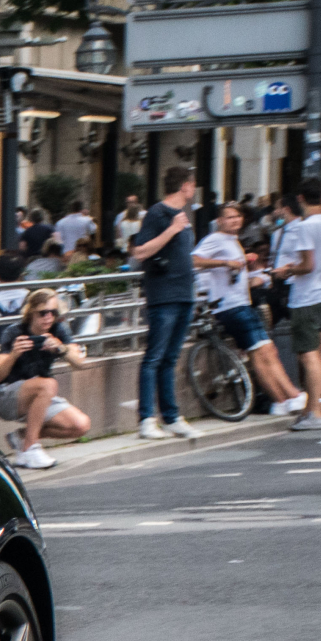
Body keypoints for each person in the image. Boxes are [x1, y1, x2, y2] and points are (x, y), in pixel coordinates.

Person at [192, 201, 300, 414]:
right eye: (229, 217)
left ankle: (280, 401)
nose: (235, 220)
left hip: (238, 304)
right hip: (231, 307)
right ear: (220, 220)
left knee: (261, 353)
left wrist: (260, 274)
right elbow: (194, 259)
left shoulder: (233, 241)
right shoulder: (216, 239)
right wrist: (225, 263)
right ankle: (292, 396)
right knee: (265, 350)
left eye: (237, 216)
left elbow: (235, 277)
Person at [126, 165, 201, 441]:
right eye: (192, 184)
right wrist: (172, 230)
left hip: (183, 293)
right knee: (154, 357)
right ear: (185, 186)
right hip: (164, 296)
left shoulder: (181, 216)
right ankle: (147, 418)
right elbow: (141, 251)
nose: (193, 189)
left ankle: (170, 417)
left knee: (170, 358)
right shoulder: (159, 214)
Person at [0, 288, 92, 470]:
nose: (48, 318)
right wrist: (14, 354)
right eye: (43, 313)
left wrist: (61, 348)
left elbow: (80, 363)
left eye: (53, 312)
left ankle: (21, 437)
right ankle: (30, 448)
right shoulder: (14, 332)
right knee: (48, 384)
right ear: (31, 313)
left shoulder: (58, 330)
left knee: (80, 425)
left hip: (42, 394)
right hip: (6, 396)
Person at [270, 180, 321, 430]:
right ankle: (310, 409)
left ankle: (316, 413)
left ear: (300, 199)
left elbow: (307, 265)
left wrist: (286, 270)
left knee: (308, 353)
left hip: (306, 295)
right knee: (310, 351)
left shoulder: (305, 227)